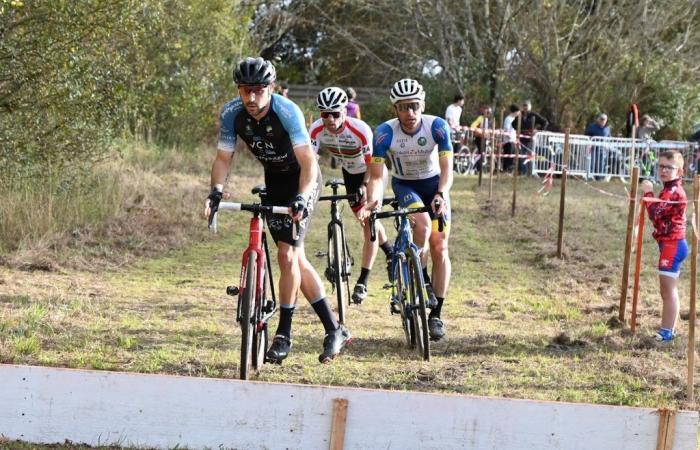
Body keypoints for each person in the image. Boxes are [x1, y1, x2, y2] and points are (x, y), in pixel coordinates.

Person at [204, 57, 350, 364]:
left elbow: (309, 163)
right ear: (239, 90)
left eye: (258, 90)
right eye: (246, 90)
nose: (252, 98)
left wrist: (301, 198)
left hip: (302, 181)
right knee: (295, 258)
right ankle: (334, 328)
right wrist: (216, 191)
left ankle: (284, 334)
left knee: (287, 255)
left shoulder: (287, 112)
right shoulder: (232, 114)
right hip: (274, 179)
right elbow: (222, 158)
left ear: (271, 88)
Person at [361, 78, 453, 341]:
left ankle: (435, 315)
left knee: (440, 247)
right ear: (395, 110)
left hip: (435, 184)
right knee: (422, 225)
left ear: (422, 105)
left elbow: (447, 168)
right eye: (403, 108)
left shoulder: (437, 126)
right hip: (406, 186)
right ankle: (420, 276)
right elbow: (377, 176)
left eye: (414, 106)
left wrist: (441, 194)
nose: (410, 113)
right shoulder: (384, 133)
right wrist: (374, 199)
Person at [309, 87, 394, 303]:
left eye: (335, 113)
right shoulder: (316, 129)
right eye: (325, 114)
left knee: (369, 223)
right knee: (362, 221)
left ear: (345, 112)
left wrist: (365, 185)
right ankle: (390, 252)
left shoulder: (360, 130)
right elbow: (309, 162)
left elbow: (372, 167)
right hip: (349, 173)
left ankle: (363, 281)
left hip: (371, 172)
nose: (330, 119)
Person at [640, 150, 688, 342]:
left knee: (668, 290)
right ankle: (668, 328)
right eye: (661, 166)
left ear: (680, 171)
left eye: (669, 167)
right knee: (666, 289)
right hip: (668, 243)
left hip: (673, 244)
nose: (664, 170)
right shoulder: (669, 189)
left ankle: (667, 332)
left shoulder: (673, 191)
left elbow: (655, 213)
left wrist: (648, 193)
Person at [516, 100, 549, 175]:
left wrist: (537, 130)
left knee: (530, 157)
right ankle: (523, 173)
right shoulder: (519, 115)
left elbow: (545, 122)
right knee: (522, 157)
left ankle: (530, 174)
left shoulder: (533, 115)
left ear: (530, 107)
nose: (525, 107)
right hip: (521, 138)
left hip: (530, 139)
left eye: (527, 105)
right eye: (524, 105)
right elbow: (514, 124)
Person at [584, 113, 611, 180]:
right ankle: (590, 177)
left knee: (601, 164)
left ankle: (599, 178)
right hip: (593, 149)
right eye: (601, 119)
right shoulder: (592, 127)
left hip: (603, 150)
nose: (602, 121)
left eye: (604, 120)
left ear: (606, 120)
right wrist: (589, 144)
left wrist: (608, 145)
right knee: (592, 163)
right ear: (598, 119)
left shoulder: (607, 128)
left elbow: (609, 137)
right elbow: (586, 135)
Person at [469, 105, 493, 173]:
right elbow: (473, 126)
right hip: (479, 138)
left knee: (482, 154)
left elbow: (486, 130)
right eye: (488, 112)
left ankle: (478, 169)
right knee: (481, 154)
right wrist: (480, 132)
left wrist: (487, 135)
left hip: (483, 138)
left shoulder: (487, 119)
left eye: (489, 113)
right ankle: (473, 168)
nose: (489, 114)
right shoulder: (480, 118)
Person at [502, 104, 521, 173]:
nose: (519, 114)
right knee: (508, 157)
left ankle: (509, 171)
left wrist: (516, 139)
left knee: (512, 158)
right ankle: (505, 171)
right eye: (518, 112)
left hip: (513, 141)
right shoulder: (508, 119)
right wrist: (510, 137)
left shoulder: (514, 119)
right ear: (515, 112)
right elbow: (506, 130)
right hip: (508, 142)